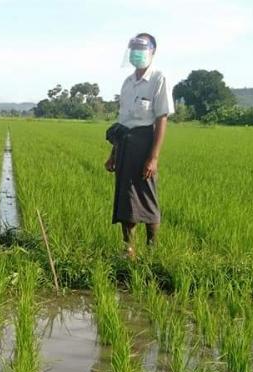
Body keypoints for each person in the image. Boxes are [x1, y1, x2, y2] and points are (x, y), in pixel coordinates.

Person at [105, 33, 174, 259]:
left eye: (141, 48)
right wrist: (113, 153)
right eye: (133, 48)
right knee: (126, 198)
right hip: (125, 143)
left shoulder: (158, 79)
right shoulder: (127, 83)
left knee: (147, 196)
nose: (136, 52)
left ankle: (152, 249)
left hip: (145, 143)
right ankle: (129, 249)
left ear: (152, 52)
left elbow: (161, 119)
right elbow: (122, 123)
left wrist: (153, 158)